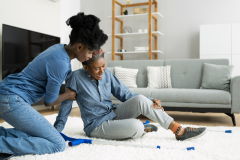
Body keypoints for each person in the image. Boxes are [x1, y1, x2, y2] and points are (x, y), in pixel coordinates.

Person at [0, 12, 108, 159]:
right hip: (12, 100)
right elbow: (49, 101)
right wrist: (68, 95)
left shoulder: (60, 48)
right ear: (80, 46)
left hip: (7, 94)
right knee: (57, 143)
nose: (90, 56)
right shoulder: (61, 63)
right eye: (89, 52)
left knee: (34, 134)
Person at [54, 49, 207, 141]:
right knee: (136, 125)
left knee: (141, 99)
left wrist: (149, 101)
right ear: (86, 67)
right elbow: (66, 106)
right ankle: (141, 129)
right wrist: (56, 131)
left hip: (113, 113)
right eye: (96, 69)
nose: (102, 71)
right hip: (96, 125)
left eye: (104, 66)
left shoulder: (105, 74)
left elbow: (125, 94)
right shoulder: (74, 78)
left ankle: (178, 130)